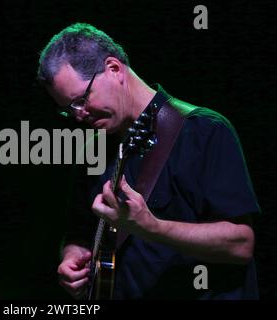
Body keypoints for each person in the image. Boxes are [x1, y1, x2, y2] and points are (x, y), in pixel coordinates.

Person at [37, 23, 261, 299]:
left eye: (81, 100)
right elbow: (79, 231)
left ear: (114, 69)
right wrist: (72, 257)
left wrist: (152, 227)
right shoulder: (91, 150)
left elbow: (241, 245)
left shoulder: (204, 131)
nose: (79, 116)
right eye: (68, 110)